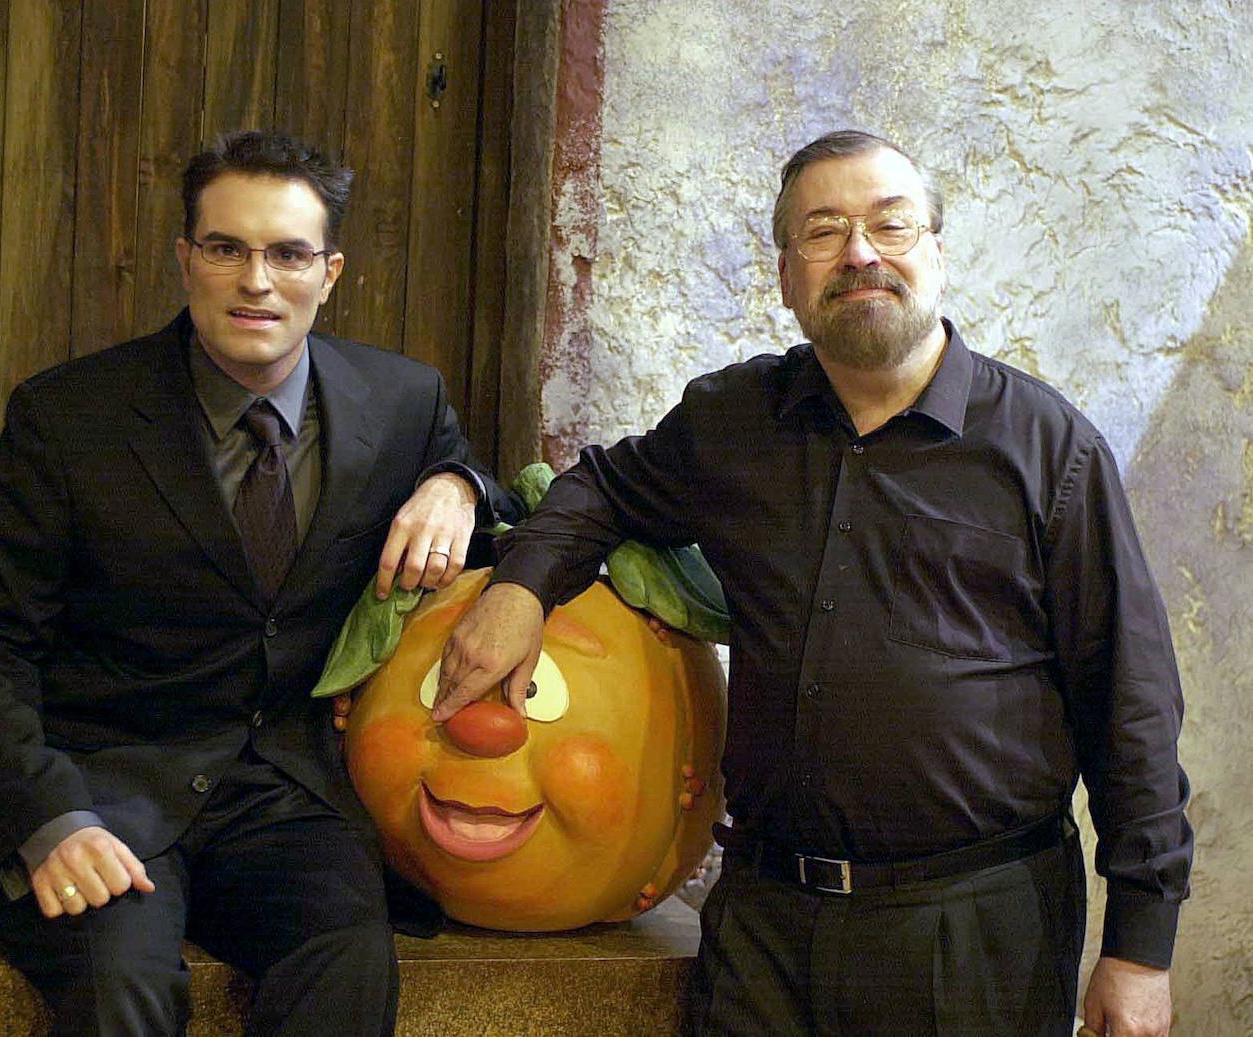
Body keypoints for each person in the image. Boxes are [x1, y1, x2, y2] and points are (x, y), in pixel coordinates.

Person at [434, 130, 1192, 1036]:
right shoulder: (732, 420)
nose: (861, 253)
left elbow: (1130, 696)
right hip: (764, 924)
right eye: (825, 231)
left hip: (973, 928)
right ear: (788, 273)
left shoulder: (1047, 449)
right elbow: (602, 486)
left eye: (891, 226)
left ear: (937, 254)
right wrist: (520, 588)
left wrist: (1141, 943)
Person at [0, 129, 520, 1036]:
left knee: (348, 959)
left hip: (286, 794)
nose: (257, 281)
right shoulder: (68, 415)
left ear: (330, 272)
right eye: (227, 248)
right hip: (102, 784)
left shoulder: (403, 400)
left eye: (287, 253)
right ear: (185, 258)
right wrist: (47, 819)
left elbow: (500, 491)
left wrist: (458, 484)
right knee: (119, 981)